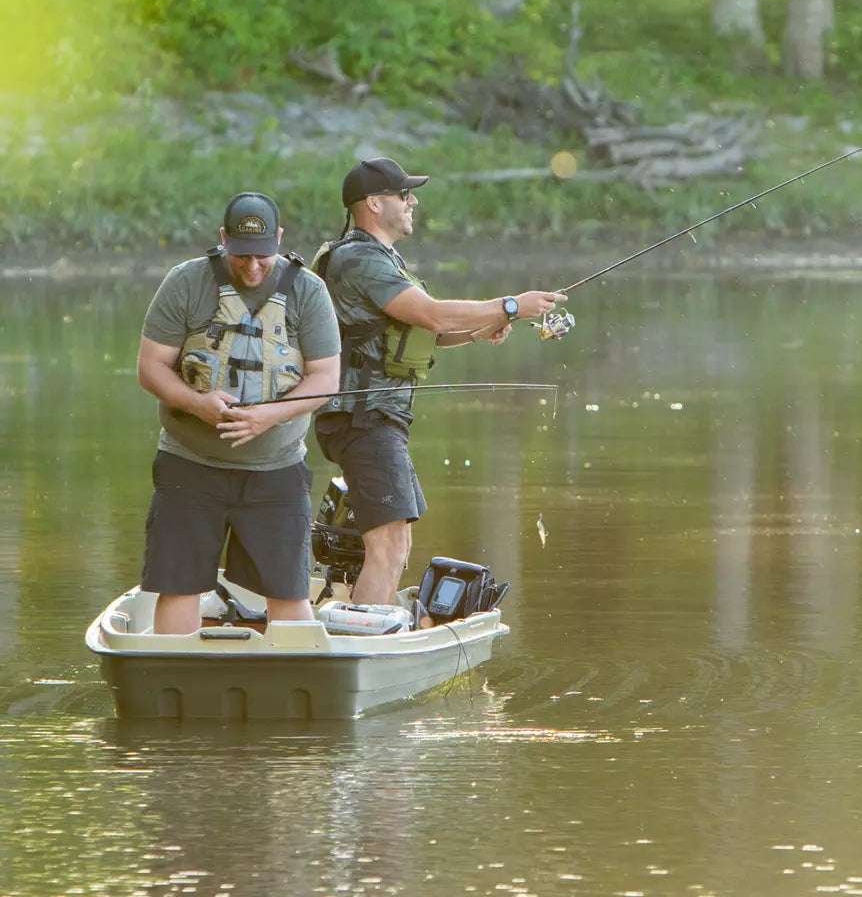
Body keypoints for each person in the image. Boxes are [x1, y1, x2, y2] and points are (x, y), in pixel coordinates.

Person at [312, 157, 566, 606]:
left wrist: (485, 326)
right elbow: (431, 312)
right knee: (387, 548)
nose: (414, 201)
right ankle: (372, 645)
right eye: (404, 194)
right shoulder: (356, 259)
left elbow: (434, 331)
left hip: (380, 417)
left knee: (399, 545)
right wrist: (509, 306)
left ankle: (377, 631)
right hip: (362, 417)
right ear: (373, 203)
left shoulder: (381, 258)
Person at [137, 192, 341, 634]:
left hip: (277, 470)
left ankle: (294, 687)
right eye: (242, 255)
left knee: (290, 592)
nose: (252, 267)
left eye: (263, 257)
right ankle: (176, 686)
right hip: (188, 464)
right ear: (224, 239)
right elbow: (150, 368)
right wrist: (197, 404)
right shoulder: (186, 282)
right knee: (178, 587)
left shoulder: (308, 291)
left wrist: (269, 415)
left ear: (280, 240)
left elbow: (326, 378)